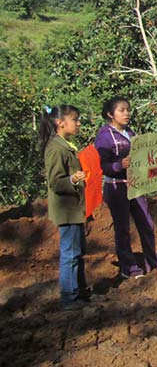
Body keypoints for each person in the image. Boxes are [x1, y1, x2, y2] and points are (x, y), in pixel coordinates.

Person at [94, 96, 157, 279]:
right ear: (110, 114)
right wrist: (118, 166)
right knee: (122, 228)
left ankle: (155, 262)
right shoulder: (105, 137)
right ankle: (129, 269)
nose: (126, 113)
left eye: (128, 109)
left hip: (136, 186)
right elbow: (101, 166)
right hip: (117, 187)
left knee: (146, 224)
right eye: (121, 110)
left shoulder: (131, 133)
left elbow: (144, 155)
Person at [39, 105, 90, 310]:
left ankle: (81, 293)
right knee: (70, 253)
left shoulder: (66, 145)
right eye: (75, 120)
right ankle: (69, 298)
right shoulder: (56, 148)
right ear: (61, 123)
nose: (78, 124)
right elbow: (55, 182)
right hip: (67, 210)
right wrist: (73, 179)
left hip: (74, 209)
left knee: (78, 252)